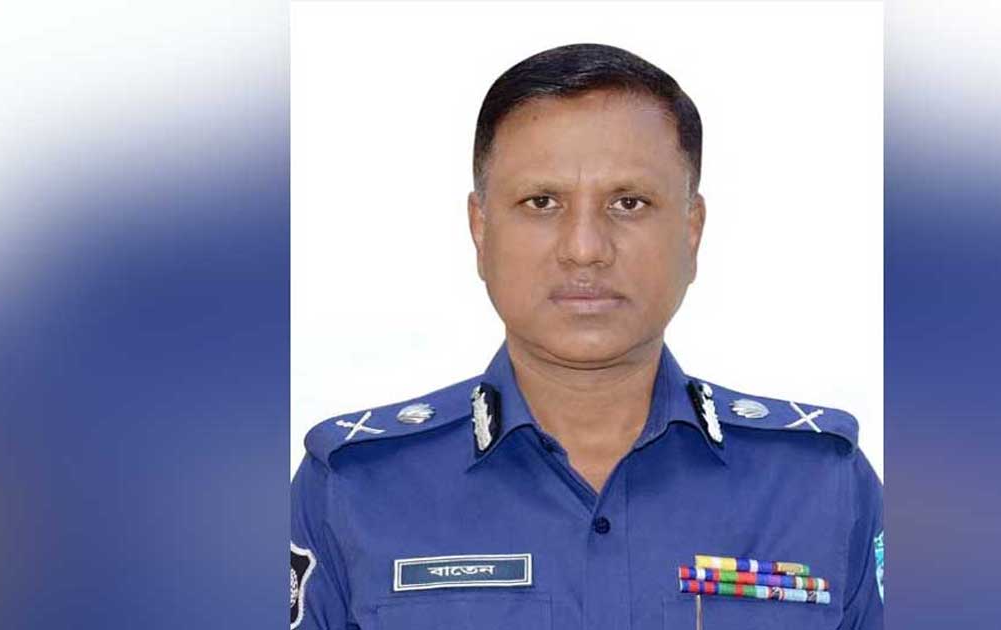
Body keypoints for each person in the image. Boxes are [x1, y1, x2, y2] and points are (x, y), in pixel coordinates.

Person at [290, 43, 883, 630]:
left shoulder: (820, 487)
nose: (585, 249)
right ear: (480, 229)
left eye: (629, 202)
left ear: (691, 230)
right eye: (541, 202)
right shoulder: (354, 488)